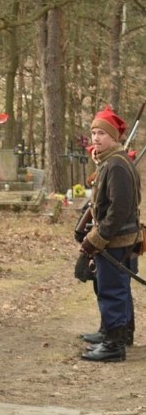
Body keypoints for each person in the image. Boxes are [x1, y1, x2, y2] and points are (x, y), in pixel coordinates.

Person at [78, 106, 140, 363]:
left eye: (101, 133)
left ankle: (114, 345)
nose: (95, 138)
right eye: (93, 132)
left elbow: (120, 209)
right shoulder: (111, 162)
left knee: (111, 290)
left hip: (115, 240)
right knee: (117, 289)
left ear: (114, 137)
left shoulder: (115, 164)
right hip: (119, 239)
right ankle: (118, 333)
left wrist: (97, 238)